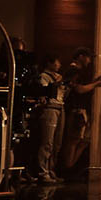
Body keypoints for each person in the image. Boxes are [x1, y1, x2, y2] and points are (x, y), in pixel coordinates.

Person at [59, 47, 101, 177]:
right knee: (74, 140)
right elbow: (79, 89)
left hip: (81, 109)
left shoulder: (77, 72)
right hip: (76, 110)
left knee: (82, 141)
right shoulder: (73, 71)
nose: (89, 61)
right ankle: (67, 169)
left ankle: (70, 167)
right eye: (88, 57)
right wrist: (96, 84)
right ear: (81, 56)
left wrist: (95, 82)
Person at [31, 54, 65, 184]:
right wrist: (57, 83)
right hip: (50, 108)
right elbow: (45, 92)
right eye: (57, 62)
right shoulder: (44, 77)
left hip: (60, 107)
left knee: (57, 143)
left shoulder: (58, 76)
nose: (59, 65)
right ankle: (42, 171)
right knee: (47, 142)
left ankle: (51, 169)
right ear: (49, 63)